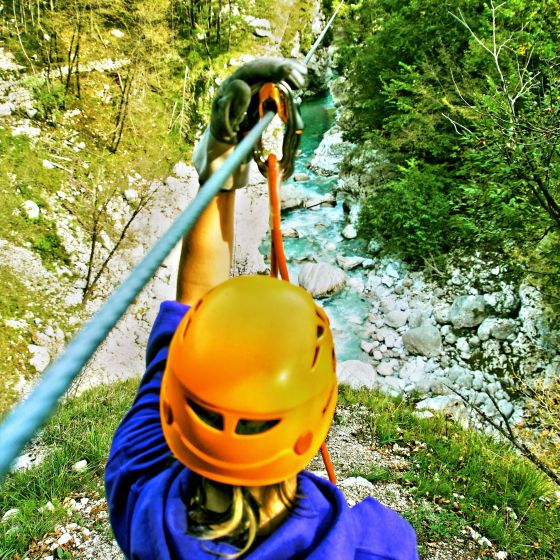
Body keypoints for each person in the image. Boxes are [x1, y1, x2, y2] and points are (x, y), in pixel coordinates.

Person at [105, 57, 419, 560]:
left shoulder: (140, 489)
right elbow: (192, 315)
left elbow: (190, 308)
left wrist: (218, 170)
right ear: (316, 421)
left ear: (174, 410)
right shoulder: (374, 547)